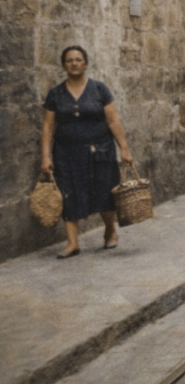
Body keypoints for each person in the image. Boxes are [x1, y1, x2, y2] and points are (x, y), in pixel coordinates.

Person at [41, 46, 134, 258]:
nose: (74, 63)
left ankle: (110, 231)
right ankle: (72, 243)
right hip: (66, 153)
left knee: (105, 190)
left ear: (86, 64)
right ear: (64, 65)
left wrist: (125, 150)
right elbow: (47, 127)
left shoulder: (99, 89)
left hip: (99, 150)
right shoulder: (55, 94)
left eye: (78, 60)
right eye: (69, 60)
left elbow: (113, 120)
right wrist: (45, 156)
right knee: (68, 194)